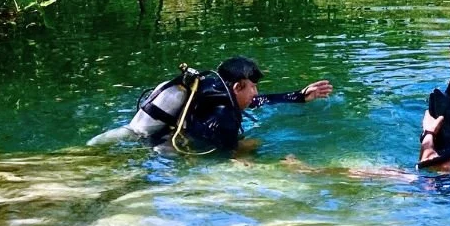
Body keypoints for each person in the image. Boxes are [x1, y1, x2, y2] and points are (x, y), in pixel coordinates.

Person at [87, 56, 332, 152]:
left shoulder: (208, 87)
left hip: (134, 132)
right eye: (253, 86)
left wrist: (298, 96)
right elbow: (227, 150)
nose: (256, 93)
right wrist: (250, 148)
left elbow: (257, 101)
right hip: (161, 153)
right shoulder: (224, 112)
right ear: (237, 86)